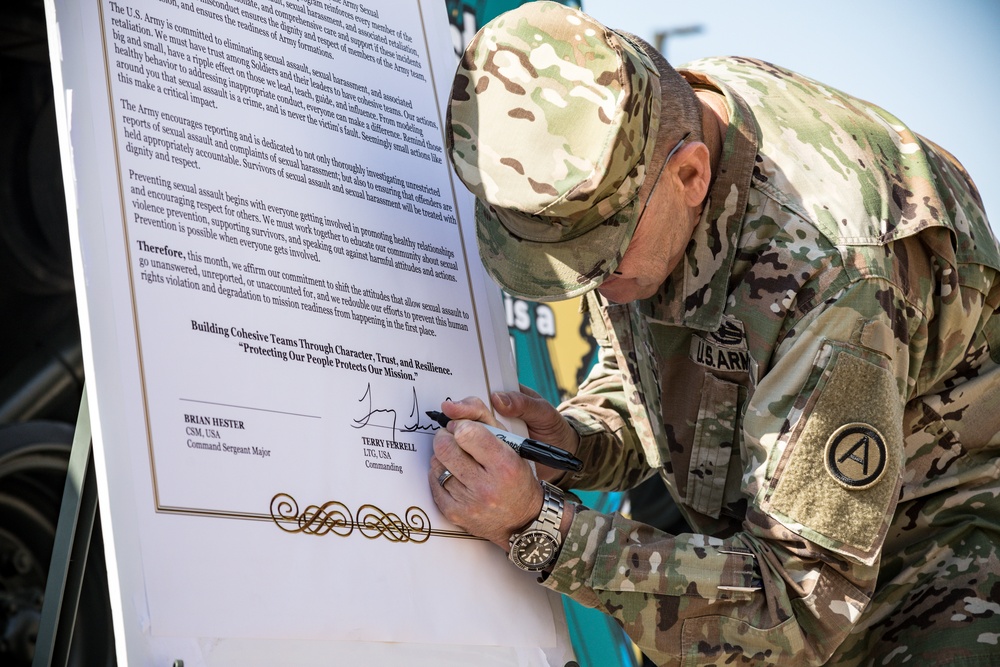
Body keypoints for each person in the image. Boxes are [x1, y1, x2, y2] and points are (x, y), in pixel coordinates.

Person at [427, 2, 1000, 665]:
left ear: (692, 174)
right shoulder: (628, 137)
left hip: (931, 549)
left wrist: (542, 527)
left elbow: (797, 604)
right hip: (755, 526)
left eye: (603, 258)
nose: (598, 286)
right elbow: (666, 374)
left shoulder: (834, 277)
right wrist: (575, 440)